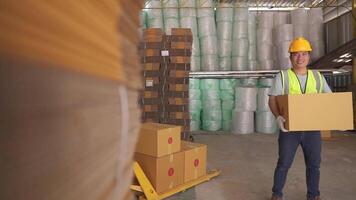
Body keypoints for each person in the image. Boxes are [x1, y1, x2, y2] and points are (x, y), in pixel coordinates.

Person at [268, 37, 332, 200]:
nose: (300, 58)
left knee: (314, 165)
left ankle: (313, 195)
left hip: (312, 130)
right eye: (296, 54)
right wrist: (278, 118)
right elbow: (272, 99)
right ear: (290, 57)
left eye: (304, 54)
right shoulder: (282, 76)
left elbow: (329, 100)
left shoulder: (317, 77)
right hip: (289, 129)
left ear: (309, 57)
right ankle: (277, 194)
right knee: (283, 164)